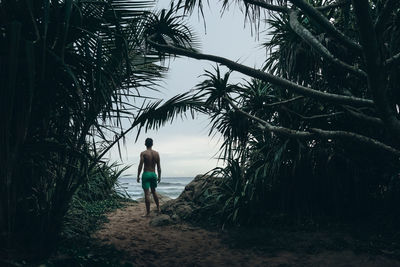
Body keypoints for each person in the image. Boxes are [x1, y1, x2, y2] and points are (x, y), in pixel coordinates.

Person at [137, 138, 161, 217]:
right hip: (153, 174)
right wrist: (159, 176)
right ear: (152, 144)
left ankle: (148, 213)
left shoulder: (143, 153)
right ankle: (158, 208)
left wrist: (138, 175)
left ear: (145, 144)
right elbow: (159, 167)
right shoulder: (156, 154)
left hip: (146, 174)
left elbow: (140, 165)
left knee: (147, 194)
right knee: (154, 191)